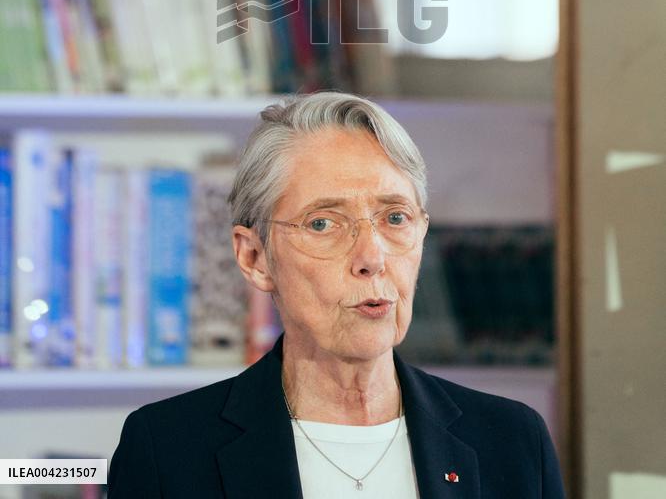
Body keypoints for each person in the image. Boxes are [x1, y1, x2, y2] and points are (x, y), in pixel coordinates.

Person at [109, 91, 566, 498]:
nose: (372, 257)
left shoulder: (511, 440)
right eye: (323, 223)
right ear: (254, 257)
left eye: (395, 218)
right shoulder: (166, 449)